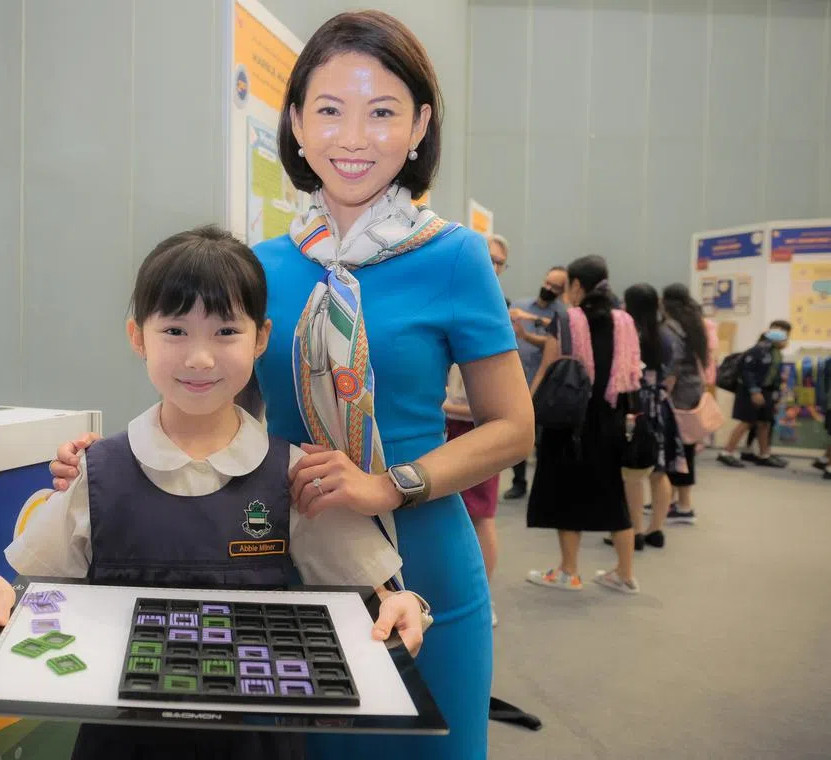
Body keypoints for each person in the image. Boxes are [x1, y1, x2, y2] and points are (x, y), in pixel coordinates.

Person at [51, 12, 535, 759]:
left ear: (420, 126)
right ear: (298, 126)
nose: (353, 137)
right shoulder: (261, 266)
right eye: (330, 111)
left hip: (427, 561)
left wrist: (388, 486)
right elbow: (214, 402)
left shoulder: (456, 257)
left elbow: (513, 428)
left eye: (383, 113)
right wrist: (117, 464)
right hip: (286, 560)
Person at [0, 228, 429, 760]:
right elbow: (34, 591)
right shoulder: (98, 471)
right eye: (176, 330)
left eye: (226, 330)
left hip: (255, 742)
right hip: (120, 740)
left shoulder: (292, 475)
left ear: (260, 337)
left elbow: (371, 595)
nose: (200, 358)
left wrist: (400, 604)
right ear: (138, 337)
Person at [526, 255, 642, 594]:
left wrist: (529, 407)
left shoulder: (566, 319)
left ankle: (569, 571)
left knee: (565, 493)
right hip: (610, 419)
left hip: (569, 421)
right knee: (613, 494)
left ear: (577, 285)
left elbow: (549, 366)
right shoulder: (624, 321)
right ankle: (625, 574)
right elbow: (633, 372)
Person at [618, 283, 683, 549]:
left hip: (637, 404)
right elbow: (671, 375)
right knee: (660, 470)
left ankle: (635, 533)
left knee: (633, 473)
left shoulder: (631, 334)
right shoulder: (667, 335)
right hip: (662, 405)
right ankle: (657, 529)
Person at [504, 266, 569, 499]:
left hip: (545, 385)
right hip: (515, 379)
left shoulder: (562, 315)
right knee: (514, 433)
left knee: (542, 438)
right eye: (547, 282)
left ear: (563, 291)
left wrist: (529, 331)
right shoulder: (519, 306)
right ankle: (518, 481)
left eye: (555, 287)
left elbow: (556, 345)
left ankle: (543, 486)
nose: (548, 288)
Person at [443, 365, 499, 627]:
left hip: (473, 435)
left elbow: (489, 410)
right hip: (462, 431)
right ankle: (478, 595)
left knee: (481, 516)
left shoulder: (484, 349)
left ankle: (484, 597)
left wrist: (444, 405)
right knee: (471, 515)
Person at [661, 284, 713, 523]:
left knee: (677, 449)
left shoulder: (671, 328)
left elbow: (672, 366)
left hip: (678, 394)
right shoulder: (695, 323)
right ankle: (673, 499)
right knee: (686, 447)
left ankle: (683, 506)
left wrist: (663, 392)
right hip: (692, 390)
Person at [718, 320, 792, 468]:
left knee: (764, 423)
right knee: (746, 421)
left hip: (767, 391)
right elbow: (747, 371)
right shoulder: (759, 349)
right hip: (751, 391)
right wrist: (754, 391)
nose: (785, 339)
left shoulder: (776, 352)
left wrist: (776, 395)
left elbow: (774, 375)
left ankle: (764, 454)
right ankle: (726, 452)